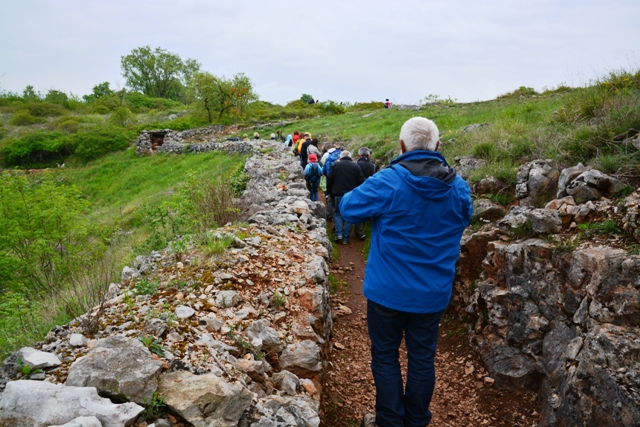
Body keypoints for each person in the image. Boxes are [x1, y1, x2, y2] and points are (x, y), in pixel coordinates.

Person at [340, 117, 472, 427]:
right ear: (437, 146)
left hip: (388, 291)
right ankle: (417, 421)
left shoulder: (388, 181)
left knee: (385, 355)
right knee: (422, 358)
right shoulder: (459, 187)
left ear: (402, 146)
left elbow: (347, 208)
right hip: (432, 293)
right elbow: (465, 217)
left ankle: (389, 421)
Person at [326, 150, 365, 244]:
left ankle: (339, 234)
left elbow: (329, 179)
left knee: (338, 214)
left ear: (341, 156)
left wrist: (329, 191)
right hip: (350, 195)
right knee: (349, 215)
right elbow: (361, 180)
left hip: (337, 193)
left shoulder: (335, 165)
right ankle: (346, 238)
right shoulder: (355, 166)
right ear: (350, 156)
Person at [353, 147, 377, 240]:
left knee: (359, 209)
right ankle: (364, 229)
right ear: (369, 155)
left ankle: (359, 231)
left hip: (358, 189)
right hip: (370, 190)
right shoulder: (373, 166)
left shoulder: (356, 164)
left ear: (360, 155)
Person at [322, 145, 342, 221]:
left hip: (329, 179)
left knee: (330, 198)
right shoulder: (341, 157)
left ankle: (329, 215)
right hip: (340, 181)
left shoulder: (328, 158)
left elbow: (323, 171)